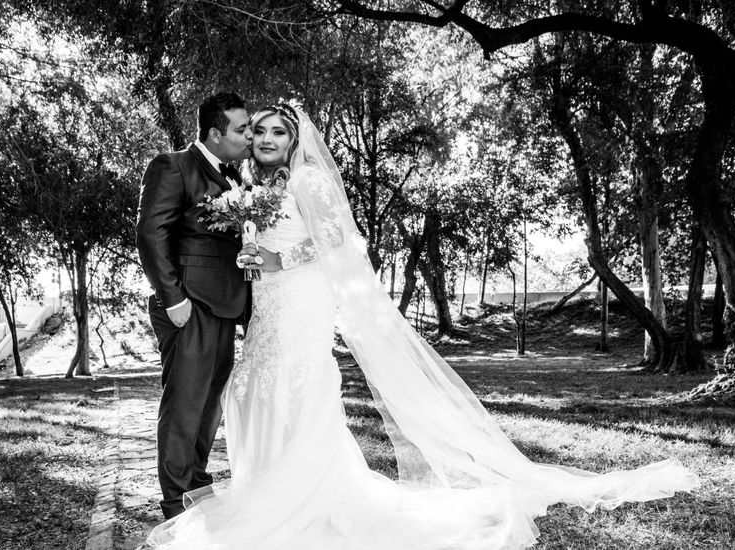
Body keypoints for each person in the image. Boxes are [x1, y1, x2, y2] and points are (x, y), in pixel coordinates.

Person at [146, 104, 700, 549]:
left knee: (296, 387)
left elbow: (341, 244)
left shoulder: (309, 183)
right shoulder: (251, 185)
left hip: (301, 299)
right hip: (266, 305)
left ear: (294, 141)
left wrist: (278, 262)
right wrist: (253, 255)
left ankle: (303, 497)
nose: (264, 139)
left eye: (276, 133)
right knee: (257, 388)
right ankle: (263, 487)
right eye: (257, 131)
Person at [135, 92, 252, 520]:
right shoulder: (173, 166)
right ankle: (175, 499)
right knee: (185, 403)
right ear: (215, 133)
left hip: (222, 306)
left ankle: (197, 482)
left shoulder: (235, 179)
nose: (248, 137)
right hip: (188, 305)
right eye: (241, 130)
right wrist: (174, 299)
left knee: (208, 404)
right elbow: (151, 235)